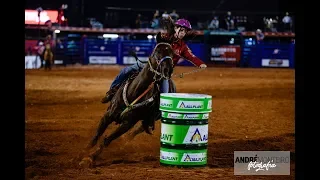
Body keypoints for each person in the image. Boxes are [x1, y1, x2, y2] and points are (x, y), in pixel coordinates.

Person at [101, 17, 207, 104]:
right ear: (176, 28)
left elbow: (192, 57)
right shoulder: (165, 37)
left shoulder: (183, 47)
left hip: (163, 74)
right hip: (150, 67)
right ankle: (111, 92)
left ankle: (155, 115)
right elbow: (159, 36)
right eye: (182, 30)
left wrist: (200, 64)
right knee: (126, 71)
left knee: (165, 97)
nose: (183, 33)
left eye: (186, 31)